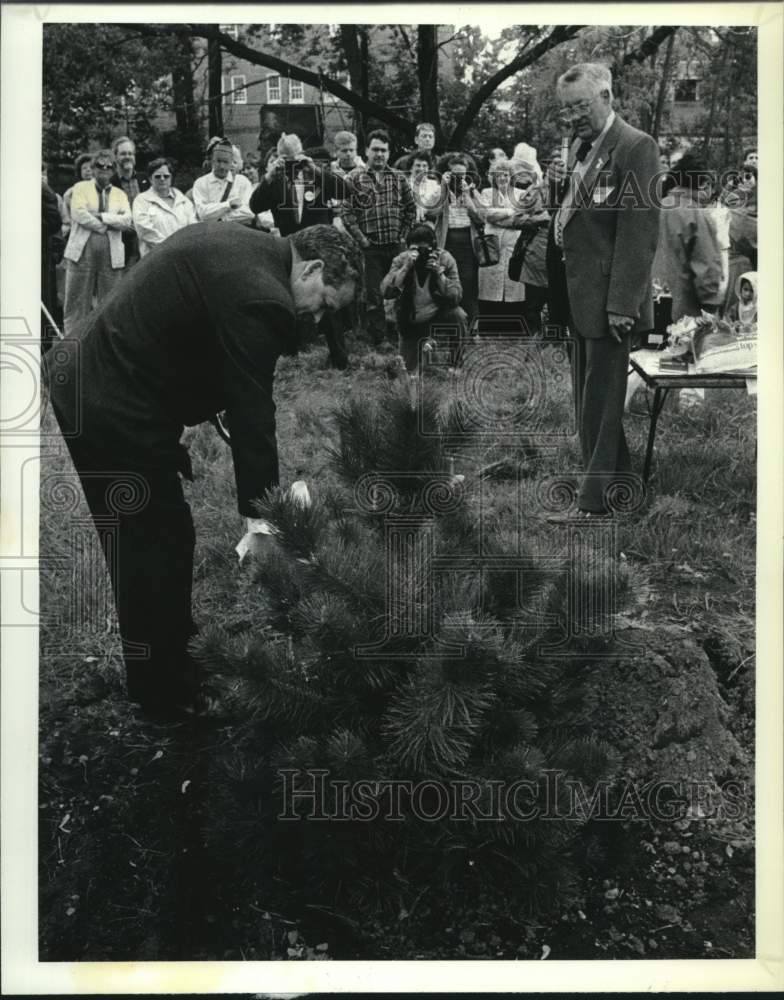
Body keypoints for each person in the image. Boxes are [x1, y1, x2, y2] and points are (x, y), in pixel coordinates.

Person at [45, 223, 361, 721]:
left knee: (157, 537)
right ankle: (165, 694)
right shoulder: (264, 295)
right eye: (324, 303)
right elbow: (252, 410)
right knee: (153, 542)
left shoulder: (248, 248)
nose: (319, 320)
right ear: (313, 268)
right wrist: (263, 519)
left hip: (92, 376)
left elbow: (210, 358)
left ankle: (177, 654)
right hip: (108, 399)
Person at [545, 62, 660, 518]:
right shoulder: (583, 147)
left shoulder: (636, 147)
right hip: (581, 296)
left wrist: (621, 306)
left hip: (611, 302)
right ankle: (626, 492)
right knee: (590, 401)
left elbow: (639, 234)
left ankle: (592, 505)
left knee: (600, 405)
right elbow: (581, 215)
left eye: (580, 106)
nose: (572, 116)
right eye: (566, 109)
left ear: (608, 96)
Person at [341, 129, 417, 347]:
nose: (379, 154)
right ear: (366, 151)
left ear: (389, 152)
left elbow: (410, 210)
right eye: (375, 149)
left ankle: (405, 334)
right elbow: (346, 212)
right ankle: (379, 337)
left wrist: (402, 236)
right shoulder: (354, 178)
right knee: (373, 295)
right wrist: (362, 240)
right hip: (371, 248)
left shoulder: (399, 178)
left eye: (383, 150)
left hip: (396, 246)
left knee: (402, 290)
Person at [62, 150, 133, 335]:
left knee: (109, 302)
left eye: (109, 167)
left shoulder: (120, 194)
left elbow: (127, 220)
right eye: (100, 166)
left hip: (111, 254)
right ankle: (73, 345)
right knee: (76, 303)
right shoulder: (80, 188)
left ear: (114, 171)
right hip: (82, 252)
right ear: (93, 169)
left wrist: (102, 216)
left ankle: (103, 346)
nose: (104, 169)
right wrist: (105, 226)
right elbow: (79, 214)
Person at [380, 223, 466, 373]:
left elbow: (456, 297)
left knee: (458, 315)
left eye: (424, 249)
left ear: (433, 247)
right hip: (410, 320)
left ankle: (455, 364)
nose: (421, 253)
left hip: (437, 316)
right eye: (415, 249)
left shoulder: (445, 259)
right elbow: (386, 291)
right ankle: (425, 346)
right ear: (408, 248)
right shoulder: (401, 260)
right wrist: (405, 267)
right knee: (406, 369)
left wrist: (439, 274)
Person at [427, 152, 485, 329]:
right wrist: (444, 187)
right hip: (447, 241)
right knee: (446, 281)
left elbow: (481, 217)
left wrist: (467, 194)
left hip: (468, 242)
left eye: (462, 174)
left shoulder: (472, 191)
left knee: (468, 282)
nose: (458, 178)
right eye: (455, 174)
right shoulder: (440, 190)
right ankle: (450, 325)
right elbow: (432, 212)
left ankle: (472, 328)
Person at [131, 157, 197, 257]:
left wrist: (184, 248)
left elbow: (193, 227)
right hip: (155, 259)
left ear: (171, 178)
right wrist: (170, 248)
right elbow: (145, 231)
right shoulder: (141, 200)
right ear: (150, 178)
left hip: (183, 256)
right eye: (157, 176)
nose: (162, 179)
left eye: (166, 176)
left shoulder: (184, 201)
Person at [192, 137, 255, 225]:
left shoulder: (242, 182)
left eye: (225, 162)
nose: (221, 166)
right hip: (211, 235)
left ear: (231, 162)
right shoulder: (201, 183)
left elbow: (250, 212)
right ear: (212, 160)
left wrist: (219, 218)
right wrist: (229, 205)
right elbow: (202, 213)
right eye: (218, 161)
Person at [110, 136, 150, 267]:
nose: (127, 156)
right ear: (115, 157)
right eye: (123, 154)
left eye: (130, 153)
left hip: (145, 238)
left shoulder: (145, 179)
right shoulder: (110, 183)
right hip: (122, 240)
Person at [723, 165, 757, 315]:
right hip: (740, 267)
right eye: (741, 178)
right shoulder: (734, 208)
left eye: (749, 176)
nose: (745, 181)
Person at [62, 153, 95, 237]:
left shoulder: (104, 189)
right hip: (78, 232)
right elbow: (66, 218)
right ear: (79, 172)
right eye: (84, 168)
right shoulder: (70, 193)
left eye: (91, 167)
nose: (88, 170)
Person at [408, 151, 441, 222]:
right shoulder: (404, 185)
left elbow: (439, 208)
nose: (421, 169)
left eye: (424, 166)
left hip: (430, 224)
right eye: (418, 165)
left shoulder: (435, 185)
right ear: (410, 168)